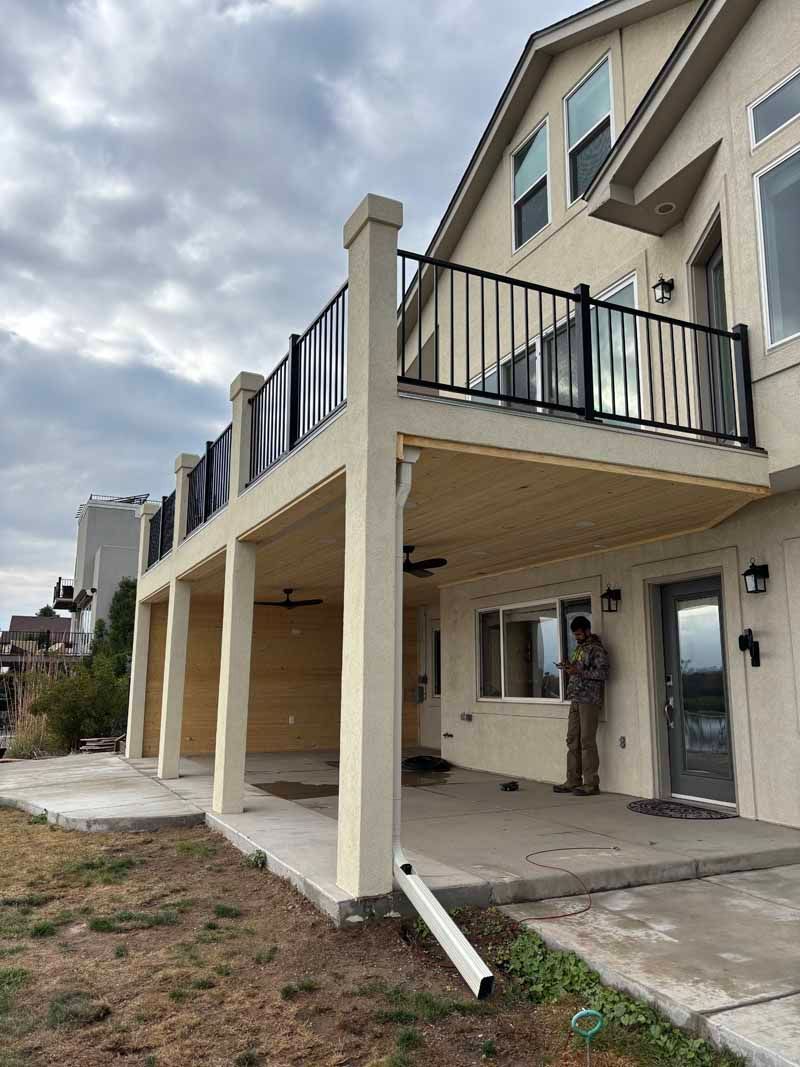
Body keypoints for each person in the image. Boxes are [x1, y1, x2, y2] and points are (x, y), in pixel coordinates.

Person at [553, 616, 609, 796]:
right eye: (574, 635)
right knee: (572, 740)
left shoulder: (597, 649)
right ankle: (573, 780)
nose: (576, 637)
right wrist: (568, 667)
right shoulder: (579, 649)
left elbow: (603, 673)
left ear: (586, 631)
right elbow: (578, 669)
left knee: (586, 741)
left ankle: (591, 783)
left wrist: (579, 671)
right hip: (575, 698)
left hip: (589, 700)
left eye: (578, 634)